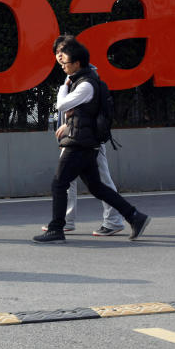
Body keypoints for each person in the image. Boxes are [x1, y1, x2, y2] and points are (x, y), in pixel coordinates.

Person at [33, 39, 152, 243]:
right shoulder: (84, 80)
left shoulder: (86, 84)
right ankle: (135, 217)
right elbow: (82, 113)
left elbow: (62, 105)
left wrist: (65, 84)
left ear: (77, 62)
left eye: (65, 60)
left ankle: (56, 228)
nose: (62, 63)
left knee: (59, 183)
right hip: (85, 142)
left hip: (79, 143)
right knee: (97, 187)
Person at [41, 35, 126, 236]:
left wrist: (69, 127)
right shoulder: (69, 75)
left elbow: (86, 108)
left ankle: (114, 220)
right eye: (57, 52)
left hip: (88, 139)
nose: (59, 56)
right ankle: (65, 220)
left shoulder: (87, 74)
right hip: (73, 137)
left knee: (101, 181)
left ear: (75, 55)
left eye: (63, 50)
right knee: (66, 181)